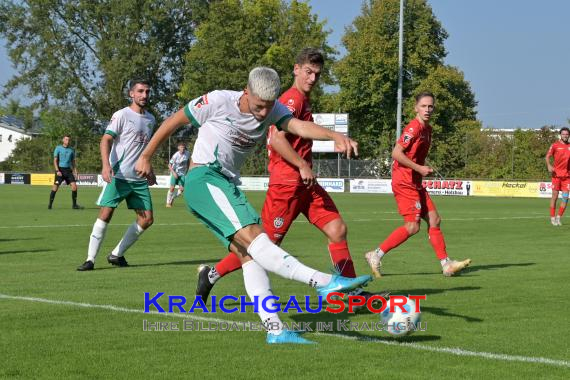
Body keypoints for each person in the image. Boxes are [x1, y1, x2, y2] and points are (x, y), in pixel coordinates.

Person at [135, 67, 372, 344]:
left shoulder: (272, 109)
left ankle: (275, 331)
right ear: (246, 92)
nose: (263, 114)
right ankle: (324, 283)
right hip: (204, 178)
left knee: (250, 255)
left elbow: (296, 126)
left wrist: (333, 136)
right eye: (258, 107)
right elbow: (172, 122)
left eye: (268, 108)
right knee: (259, 242)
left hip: (225, 184)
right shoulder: (217, 100)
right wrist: (146, 157)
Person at [196, 48, 388, 308]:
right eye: (308, 72)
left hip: (306, 184)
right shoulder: (290, 100)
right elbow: (277, 139)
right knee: (263, 246)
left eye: (317, 74)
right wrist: (301, 165)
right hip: (286, 184)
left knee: (337, 229)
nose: (312, 78)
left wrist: (330, 143)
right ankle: (211, 274)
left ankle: (351, 294)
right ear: (296, 69)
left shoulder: (302, 100)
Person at [365, 92, 471, 278]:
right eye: (423, 106)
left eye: (430, 106)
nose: (427, 109)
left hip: (415, 181)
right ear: (416, 108)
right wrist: (419, 168)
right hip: (405, 182)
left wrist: (419, 171)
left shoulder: (427, 129)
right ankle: (376, 254)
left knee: (434, 220)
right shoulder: (413, 128)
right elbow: (396, 153)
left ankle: (446, 265)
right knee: (412, 226)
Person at [77, 79, 156, 271]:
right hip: (119, 176)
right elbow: (106, 140)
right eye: (140, 91)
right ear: (131, 94)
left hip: (138, 179)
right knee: (106, 213)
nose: (144, 95)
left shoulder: (151, 119)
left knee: (147, 219)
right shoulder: (121, 114)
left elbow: (145, 149)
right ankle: (90, 259)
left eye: (147, 92)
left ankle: (116, 254)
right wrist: (105, 165)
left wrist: (150, 170)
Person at [49, 135, 82, 209]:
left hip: (68, 171)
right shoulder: (58, 148)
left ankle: (74, 205)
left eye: (69, 140)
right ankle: (50, 205)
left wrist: (75, 171)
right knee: (55, 187)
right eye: (66, 139)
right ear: (63, 140)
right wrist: (57, 171)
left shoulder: (71, 150)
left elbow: (73, 162)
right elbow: (55, 160)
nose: (68, 141)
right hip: (60, 170)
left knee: (74, 187)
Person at [545, 127, 570, 226]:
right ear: (560, 135)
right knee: (554, 197)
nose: (565, 135)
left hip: (567, 177)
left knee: (565, 198)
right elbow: (547, 156)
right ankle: (552, 217)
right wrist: (549, 165)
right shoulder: (555, 145)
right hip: (556, 176)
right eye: (564, 134)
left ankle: (558, 217)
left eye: (567, 134)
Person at [166, 141, 191, 207]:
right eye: (181, 147)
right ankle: (168, 202)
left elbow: (188, 161)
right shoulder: (175, 155)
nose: (182, 149)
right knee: (172, 188)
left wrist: (187, 170)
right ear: (178, 148)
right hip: (175, 172)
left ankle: (172, 198)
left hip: (182, 174)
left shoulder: (187, 153)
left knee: (181, 189)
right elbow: (169, 165)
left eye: (183, 147)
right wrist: (173, 173)